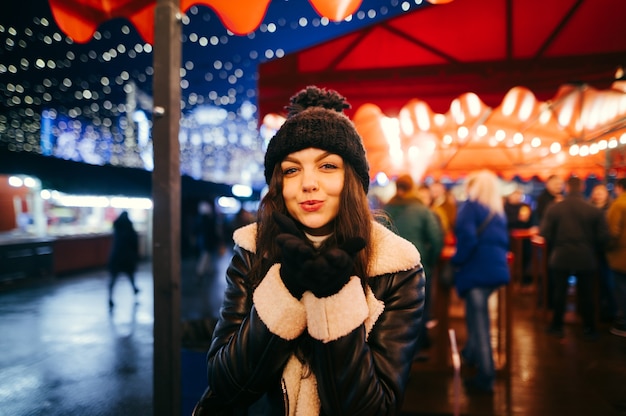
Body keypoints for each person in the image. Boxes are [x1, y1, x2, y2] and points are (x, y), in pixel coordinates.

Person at [193, 86, 425, 415]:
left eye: (327, 166)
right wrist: (285, 287)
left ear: (353, 181)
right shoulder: (252, 251)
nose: (308, 183)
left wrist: (333, 299)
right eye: (291, 169)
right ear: (278, 185)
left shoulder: (396, 268)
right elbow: (226, 384)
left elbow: (375, 408)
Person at [450, 169, 510, 394]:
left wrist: (456, 261)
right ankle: (471, 353)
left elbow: (467, 240)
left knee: (480, 324)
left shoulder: (469, 207)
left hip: (477, 270)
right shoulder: (498, 212)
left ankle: (486, 376)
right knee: (477, 316)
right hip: (497, 271)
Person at [539, 176, 610, 340]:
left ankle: (557, 326)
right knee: (587, 294)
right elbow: (603, 236)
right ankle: (589, 329)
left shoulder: (555, 208)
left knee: (559, 292)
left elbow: (544, 233)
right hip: (586, 256)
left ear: (567, 187)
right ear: (583, 186)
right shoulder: (593, 210)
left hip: (560, 255)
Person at [384, 174, 443, 357]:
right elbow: (436, 239)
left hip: (390, 268)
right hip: (418, 266)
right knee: (419, 308)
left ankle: (394, 352)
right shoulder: (422, 210)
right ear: (413, 188)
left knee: (393, 310)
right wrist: (431, 262)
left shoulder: (386, 208)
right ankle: (416, 350)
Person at [589, 183, 616, 322]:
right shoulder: (588, 209)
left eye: (601, 192)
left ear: (607, 194)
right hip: (592, 251)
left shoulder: (612, 209)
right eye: (596, 192)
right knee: (595, 281)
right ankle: (596, 310)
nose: (598, 195)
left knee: (609, 281)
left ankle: (611, 311)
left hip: (607, 250)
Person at [606, 178, 626, 337]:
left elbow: (612, 232)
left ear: (619, 187)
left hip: (621, 256)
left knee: (621, 289)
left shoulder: (619, 204)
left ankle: (623, 324)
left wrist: (605, 248)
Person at [108, 211, 140, 308]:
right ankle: (135, 291)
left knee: (113, 279)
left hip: (116, 257)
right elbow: (135, 244)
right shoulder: (130, 229)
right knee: (130, 276)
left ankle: (110, 298)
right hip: (127, 257)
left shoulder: (117, 227)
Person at [194, 200, 225, 279]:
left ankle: (208, 271)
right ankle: (200, 272)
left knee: (207, 257)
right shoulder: (207, 220)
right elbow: (212, 232)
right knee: (205, 257)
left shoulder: (200, 220)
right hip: (207, 242)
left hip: (204, 241)